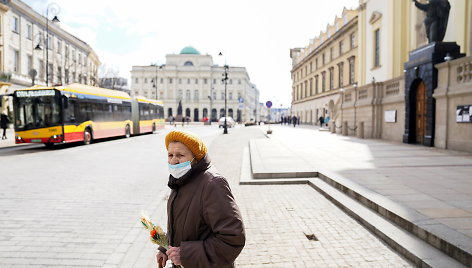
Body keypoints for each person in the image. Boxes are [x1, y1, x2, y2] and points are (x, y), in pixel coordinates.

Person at [156, 131, 245, 268]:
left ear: (195, 158)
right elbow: (182, 225)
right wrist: (165, 249)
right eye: (170, 155)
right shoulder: (180, 181)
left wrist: (185, 255)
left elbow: (233, 238)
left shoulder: (212, 183)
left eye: (180, 155)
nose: (174, 160)